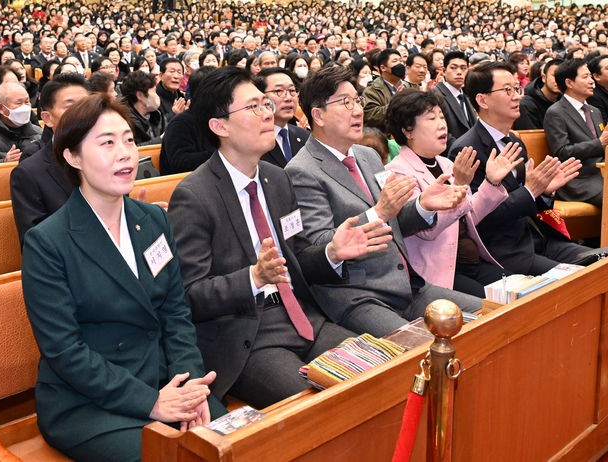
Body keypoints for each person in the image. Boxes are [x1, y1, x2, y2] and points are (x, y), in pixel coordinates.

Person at [167, 67, 391, 408]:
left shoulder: (276, 179)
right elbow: (190, 294)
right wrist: (253, 278)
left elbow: (297, 255)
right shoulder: (195, 195)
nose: (267, 114)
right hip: (249, 336)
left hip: (303, 316)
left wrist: (331, 252)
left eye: (265, 104)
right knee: (326, 406)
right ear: (220, 126)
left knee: (385, 372)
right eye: (253, 107)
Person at [22, 94, 225, 462]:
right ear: (73, 157)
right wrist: (152, 403)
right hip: (89, 402)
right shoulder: (48, 242)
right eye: (107, 143)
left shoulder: (153, 220)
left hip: (166, 381)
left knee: (240, 442)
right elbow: (66, 352)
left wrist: (191, 387)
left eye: (129, 140)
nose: (125, 153)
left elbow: (176, 313)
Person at [287, 66, 481, 337]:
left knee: (489, 317)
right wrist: (378, 212)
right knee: (423, 349)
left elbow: (393, 220)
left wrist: (422, 205)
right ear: (317, 115)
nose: (357, 110)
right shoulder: (302, 170)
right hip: (359, 295)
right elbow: (321, 246)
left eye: (357, 100)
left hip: (409, 285)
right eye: (346, 102)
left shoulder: (366, 155)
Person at [449, 61, 590, 275]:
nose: (517, 96)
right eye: (507, 90)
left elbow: (530, 203)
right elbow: (479, 219)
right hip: (505, 252)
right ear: (482, 100)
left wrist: (546, 191)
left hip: (537, 239)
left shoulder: (515, 142)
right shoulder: (467, 150)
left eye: (517, 88)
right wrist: (531, 191)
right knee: (581, 277)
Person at [385, 89, 522, 297]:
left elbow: (469, 217)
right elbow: (427, 231)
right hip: (439, 270)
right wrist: (458, 184)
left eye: (442, 116)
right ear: (408, 130)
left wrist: (491, 182)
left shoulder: (445, 163)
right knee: (500, 306)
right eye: (431, 118)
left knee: (525, 293)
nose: (442, 124)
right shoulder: (398, 172)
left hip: (469, 261)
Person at [544, 59, 608, 207]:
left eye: (590, 77)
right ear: (569, 83)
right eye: (585, 77)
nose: (591, 81)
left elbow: (603, 147)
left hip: (606, 172)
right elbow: (562, 152)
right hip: (579, 180)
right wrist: (601, 143)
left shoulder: (594, 111)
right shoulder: (556, 112)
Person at [10, 73, 89, 245]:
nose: (83, 115)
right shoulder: (29, 173)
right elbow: (36, 245)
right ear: (47, 118)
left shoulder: (111, 158)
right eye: (71, 107)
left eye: (87, 106)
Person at [256, 67, 309, 167]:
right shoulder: (252, 140)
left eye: (292, 90)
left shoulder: (305, 136)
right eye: (279, 91)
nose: (288, 98)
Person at [432, 51, 477, 139]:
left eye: (463, 68)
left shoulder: (465, 94)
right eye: (453, 68)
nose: (459, 72)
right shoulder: (435, 95)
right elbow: (437, 131)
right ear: (444, 71)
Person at [362, 48, 405, 131]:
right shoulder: (372, 90)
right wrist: (395, 103)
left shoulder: (409, 86)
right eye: (395, 61)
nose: (400, 64)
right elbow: (370, 117)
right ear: (383, 68)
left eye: (401, 61)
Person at [513, 59, 562, 130]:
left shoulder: (565, 101)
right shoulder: (526, 104)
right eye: (554, 76)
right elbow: (530, 138)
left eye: (562, 77)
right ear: (544, 78)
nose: (559, 80)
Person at [122, 70, 166, 146]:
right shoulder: (126, 120)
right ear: (140, 96)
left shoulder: (156, 113)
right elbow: (135, 147)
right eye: (153, 91)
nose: (156, 95)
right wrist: (161, 139)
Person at [157, 58, 188, 124]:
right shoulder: (154, 98)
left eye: (179, 72)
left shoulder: (180, 96)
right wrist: (174, 114)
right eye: (172, 71)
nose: (176, 76)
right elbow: (154, 128)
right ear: (161, 76)